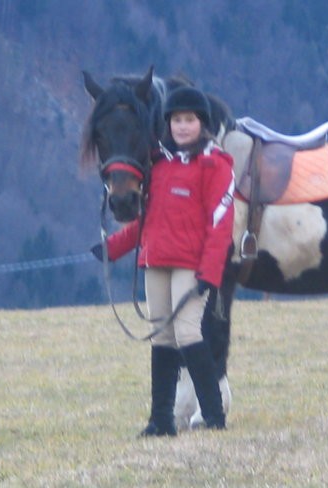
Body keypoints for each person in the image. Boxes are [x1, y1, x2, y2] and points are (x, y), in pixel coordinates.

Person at [95, 86, 235, 436]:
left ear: (201, 124)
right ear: (167, 124)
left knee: (188, 333)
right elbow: (148, 220)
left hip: (191, 264)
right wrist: (112, 248)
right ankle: (161, 420)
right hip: (155, 259)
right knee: (162, 338)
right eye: (176, 120)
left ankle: (214, 415)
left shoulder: (216, 165)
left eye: (189, 120)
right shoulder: (158, 166)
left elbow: (221, 224)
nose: (183, 126)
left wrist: (210, 273)